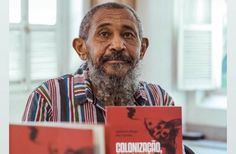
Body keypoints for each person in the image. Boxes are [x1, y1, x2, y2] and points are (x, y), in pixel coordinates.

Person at [22, 2, 175, 122]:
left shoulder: (160, 99)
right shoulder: (48, 98)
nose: (117, 45)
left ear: (142, 49)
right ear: (81, 48)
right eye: (104, 34)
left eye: (128, 35)